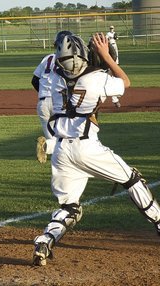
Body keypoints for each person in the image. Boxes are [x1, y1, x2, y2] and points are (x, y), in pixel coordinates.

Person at [32, 32, 160, 266]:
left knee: (69, 208)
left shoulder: (55, 79)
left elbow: (71, 75)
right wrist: (106, 56)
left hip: (61, 152)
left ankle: (45, 239)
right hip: (87, 148)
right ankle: (159, 221)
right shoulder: (96, 78)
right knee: (132, 180)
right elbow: (125, 82)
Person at [31, 31, 73, 164]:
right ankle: (49, 149)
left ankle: (47, 147)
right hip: (59, 101)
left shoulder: (47, 58)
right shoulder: (70, 59)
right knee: (63, 135)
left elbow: (34, 80)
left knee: (51, 135)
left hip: (42, 102)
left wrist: (44, 93)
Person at [106, 25, 121, 107]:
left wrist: (115, 37)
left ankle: (115, 99)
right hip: (111, 45)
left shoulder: (114, 33)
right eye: (111, 28)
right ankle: (115, 99)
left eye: (112, 28)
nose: (111, 29)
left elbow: (116, 39)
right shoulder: (108, 34)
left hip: (114, 45)